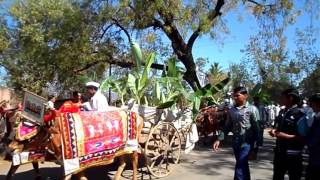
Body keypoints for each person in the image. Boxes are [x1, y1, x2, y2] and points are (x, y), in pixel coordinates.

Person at [213, 86, 260, 180]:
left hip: (247, 144)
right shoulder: (232, 111)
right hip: (236, 143)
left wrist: (255, 148)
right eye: (234, 96)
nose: (235, 98)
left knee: (240, 166)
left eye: (237, 96)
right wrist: (219, 139)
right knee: (242, 165)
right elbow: (227, 126)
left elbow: (257, 130)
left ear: (245, 96)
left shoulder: (252, 109)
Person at [268, 88, 305, 180]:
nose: (280, 99)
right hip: (280, 152)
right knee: (277, 176)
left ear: (290, 98)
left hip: (293, 154)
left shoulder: (299, 114)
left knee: (294, 176)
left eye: (282, 97)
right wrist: (274, 132)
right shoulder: (282, 112)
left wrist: (285, 136)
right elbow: (279, 129)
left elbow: (303, 137)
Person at [305, 93, 320, 180]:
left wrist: (306, 140)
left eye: (312, 104)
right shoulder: (316, 117)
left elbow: (314, 139)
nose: (311, 106)